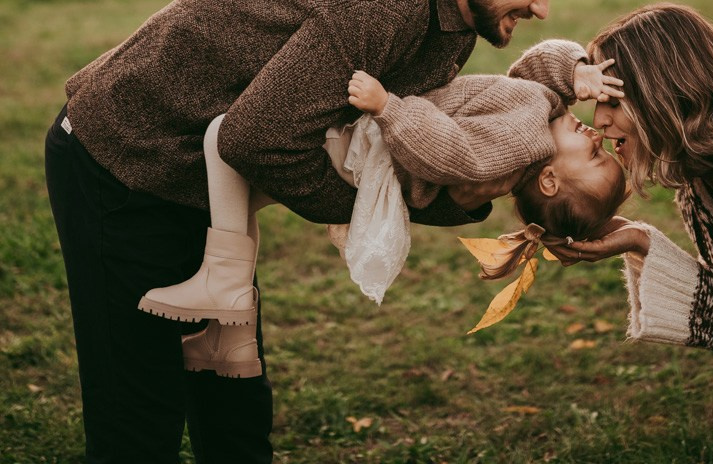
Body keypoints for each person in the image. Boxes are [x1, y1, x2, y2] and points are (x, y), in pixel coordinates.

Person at [44, 0, 596, 464]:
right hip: (122, 161)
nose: (542, 9)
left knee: (233, 400)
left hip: (199, 185)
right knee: (139, 414)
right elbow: (258, 141)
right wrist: (413, 207)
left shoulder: (455, 22)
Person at [136, 40, 627, 353]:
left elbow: (451, 155)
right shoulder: (540, 115)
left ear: (549, 181)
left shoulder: (522, 144)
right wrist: (575, 68)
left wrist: (389, 107)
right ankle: (232, 338)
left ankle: (225, 288)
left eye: (596, 157)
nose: (599, 139)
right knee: (243, 197)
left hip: (364, 146)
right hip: (373, 144)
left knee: (226, 135)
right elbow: (530, 69)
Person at [545, 4, 713, 462]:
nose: (600, 122)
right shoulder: (702, 179)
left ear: (662, 92)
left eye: (613, 101)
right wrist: (640, 242)